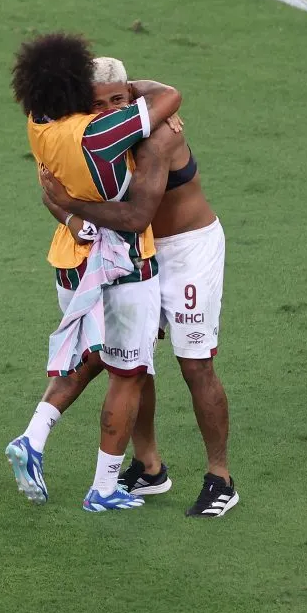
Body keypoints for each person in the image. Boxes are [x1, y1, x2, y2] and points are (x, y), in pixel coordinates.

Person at [40, 56, 238, 518]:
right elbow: (51, 182)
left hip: (187, 250)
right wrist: (67, 212)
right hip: (136, 250)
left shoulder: (157, 135)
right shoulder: (87, 137)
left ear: (132, 96)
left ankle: (220, 477)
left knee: (195, 364)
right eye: (98, 104)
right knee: (132, 363)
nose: (110, 111)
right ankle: (149, 467)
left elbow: (136, 216)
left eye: (119, 100)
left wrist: (71, 205)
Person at [5, 33, 182, 512]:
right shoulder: (100, 134)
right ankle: (104, 487)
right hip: (123, 264)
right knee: (128, 373)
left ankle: (33, 437)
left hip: (71, 262)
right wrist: (135, 94)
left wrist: (69, 213)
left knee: (88, 358)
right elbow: (170, 97)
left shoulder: (39, 121)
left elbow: (51, 192)